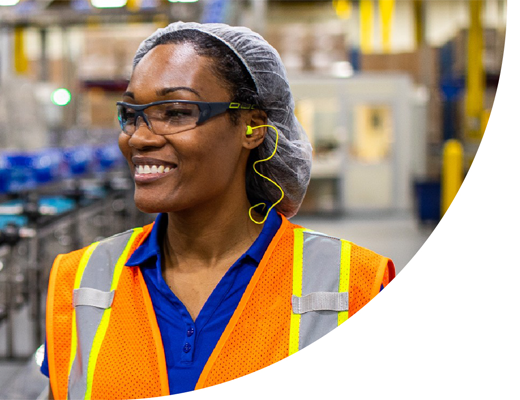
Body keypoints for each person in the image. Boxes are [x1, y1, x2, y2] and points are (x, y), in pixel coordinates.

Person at [40, 22, 395, 399]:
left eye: (176, 112)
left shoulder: (353, 285)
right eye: (131, 114)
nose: (139, 137)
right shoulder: (80, 281)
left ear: (252, 127)